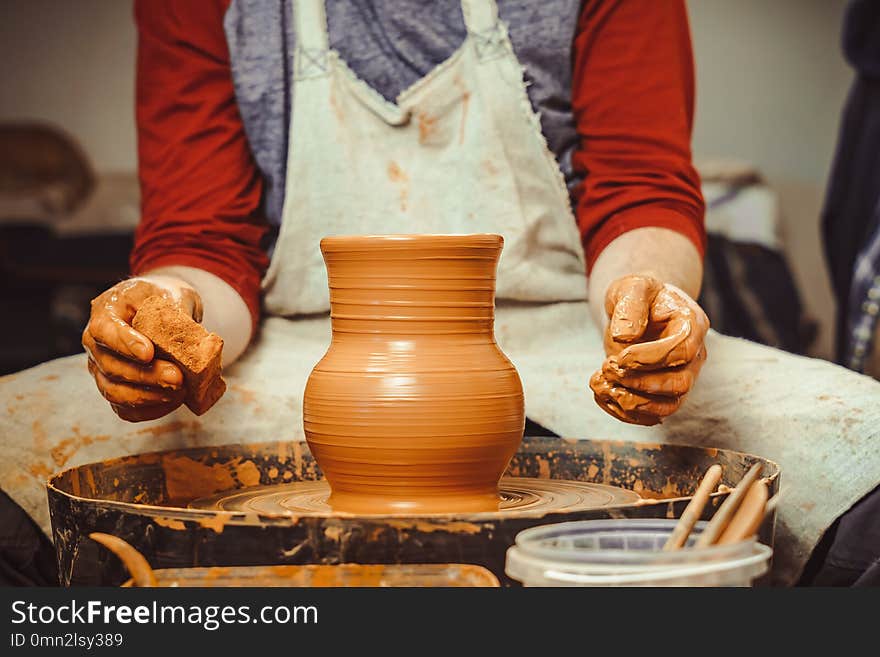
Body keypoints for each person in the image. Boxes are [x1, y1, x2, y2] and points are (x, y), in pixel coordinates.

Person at [1, 0, 878, 586]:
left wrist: (648, 298)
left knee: (864, 449)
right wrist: (162, 314)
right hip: (294, 349)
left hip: (578, 328)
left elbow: (638, 188)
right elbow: (206, 238)